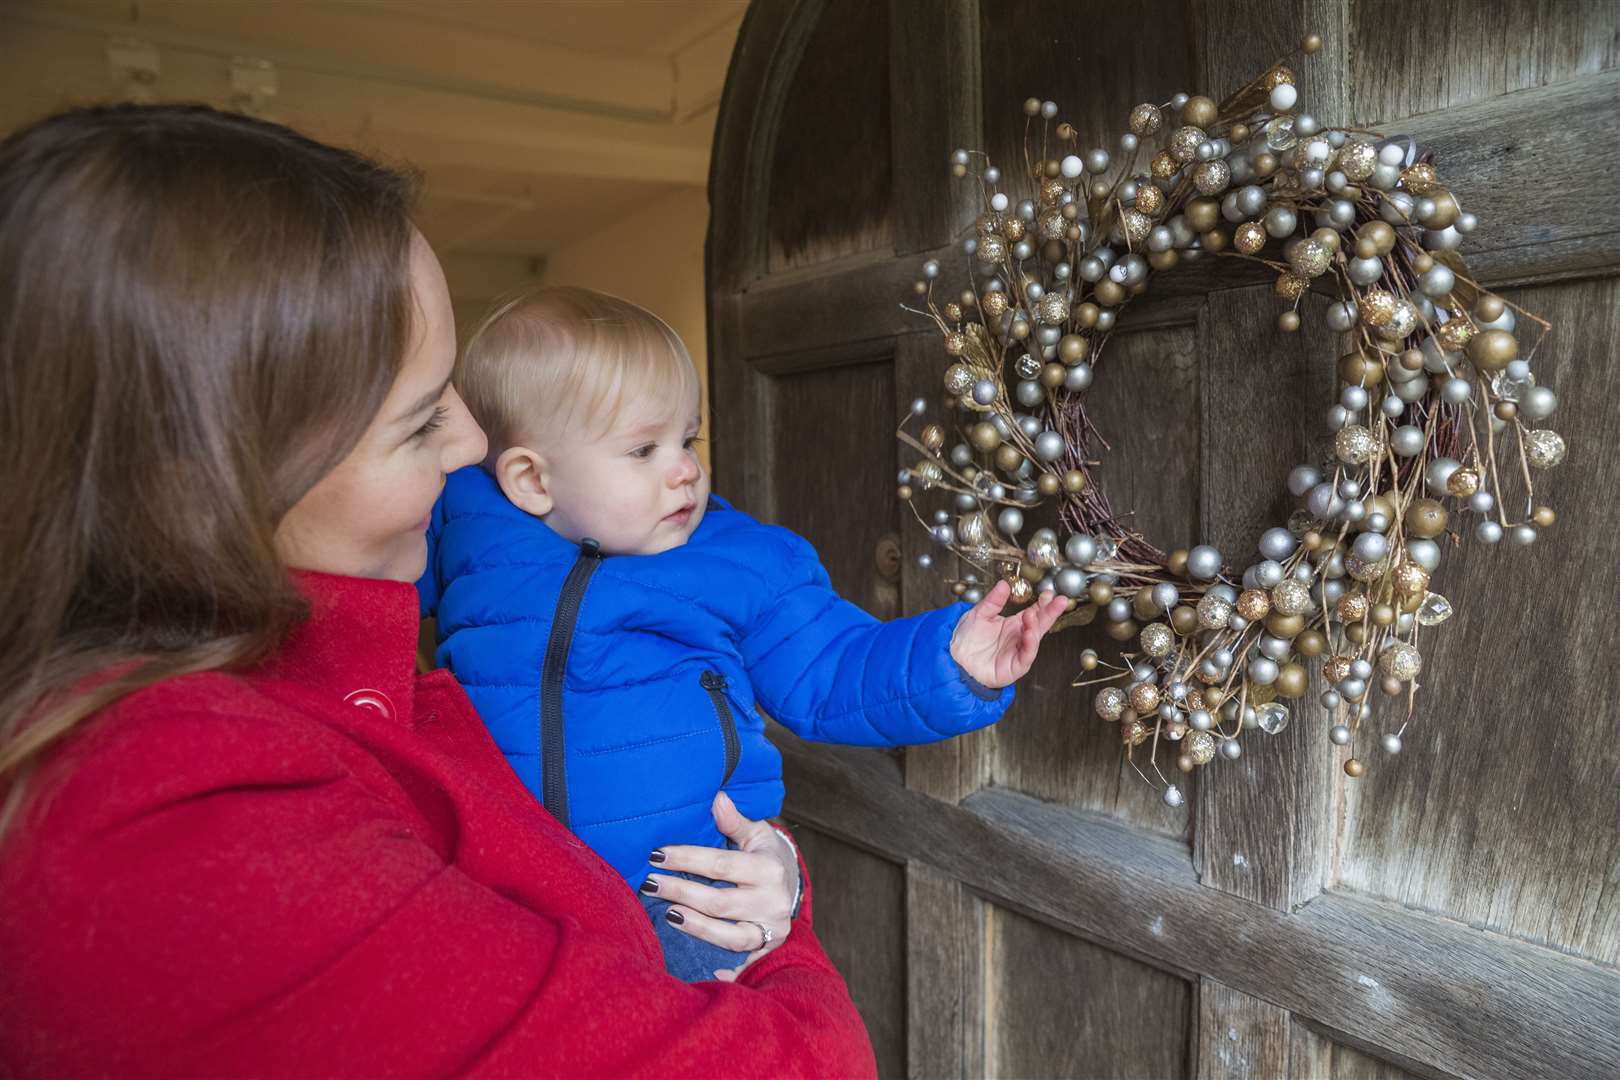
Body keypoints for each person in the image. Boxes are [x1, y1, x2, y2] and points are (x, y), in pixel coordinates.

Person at [0, 104, 876, 1077]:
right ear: (203, 491)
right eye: (420, 425)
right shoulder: (177, 827)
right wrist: (779, 936)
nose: (468, 445)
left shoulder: (309, 679)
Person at [419, 286, 1068, 981]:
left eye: (687, 438)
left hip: (676, 895)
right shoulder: (463, 528)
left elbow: (830, 669)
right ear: (529, 480)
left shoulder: (737, 561)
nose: (686, 469)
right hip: (496, 887)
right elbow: (355, 592)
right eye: (644, 449)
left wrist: (953, 663)